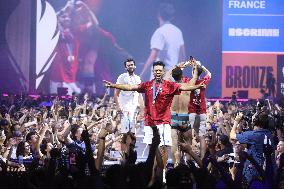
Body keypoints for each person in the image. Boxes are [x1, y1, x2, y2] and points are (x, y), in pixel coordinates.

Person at [103, 61, 206, 177]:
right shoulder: (147, 85)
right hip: (150, 122)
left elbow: (185, 87)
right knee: (153, 150)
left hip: (165, 121)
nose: (158, 72)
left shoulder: (169, 85)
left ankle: (162, 174)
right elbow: (130, 87)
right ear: (153, 71)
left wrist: (198, 86)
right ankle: (152, 175)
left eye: (160, 70)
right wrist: (114, 86)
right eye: (156, 70)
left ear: (163, 72)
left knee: (165, 148)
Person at [164, 60, 198, 167]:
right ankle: (188, 165)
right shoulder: (187, 86)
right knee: (188, 142)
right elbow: (195, 77)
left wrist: (178, 65)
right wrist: (194, 65)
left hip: (173, 116)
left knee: (174, 142)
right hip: (184, 117)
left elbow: (166, 75)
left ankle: (176, 165)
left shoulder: (170, 85)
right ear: (182, 75)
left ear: (173, 76)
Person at [140, 2, 185, 80]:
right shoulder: (178, 31)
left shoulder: (160, 32)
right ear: (172, 17)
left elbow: (153, 56)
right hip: (173, 77)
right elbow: (182, 56)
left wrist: (142, 74)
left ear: (158, 15)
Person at [230, 111, 275, 184]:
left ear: (255, 121)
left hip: (255, 174)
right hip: (269, 172)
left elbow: (232, 136)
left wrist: (236, 121)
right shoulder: (269, 134)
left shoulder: (254, 135)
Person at [188, 61, 211, 159]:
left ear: (193, 72)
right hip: (202, 112)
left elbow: (177, 76)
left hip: (192, 112)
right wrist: (201, 66)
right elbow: (209, 74)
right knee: (201, 136)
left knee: (189, 136)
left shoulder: (188, 81)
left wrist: (189, 66)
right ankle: (202, 160)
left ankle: (188, 159)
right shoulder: (203, 81)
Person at [114, 58, 144, 134]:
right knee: (125, 131)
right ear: (125, 68)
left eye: (132, 65)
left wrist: (142, 109)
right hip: (124, 107)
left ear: (135, 66)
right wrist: (118, 106)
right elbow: (116, 92)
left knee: (133, 131)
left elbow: (139, 94)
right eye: (128, 65)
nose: (130, 66)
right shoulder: (122, 77)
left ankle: (131, 145)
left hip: (134, 107)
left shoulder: (138, 78)